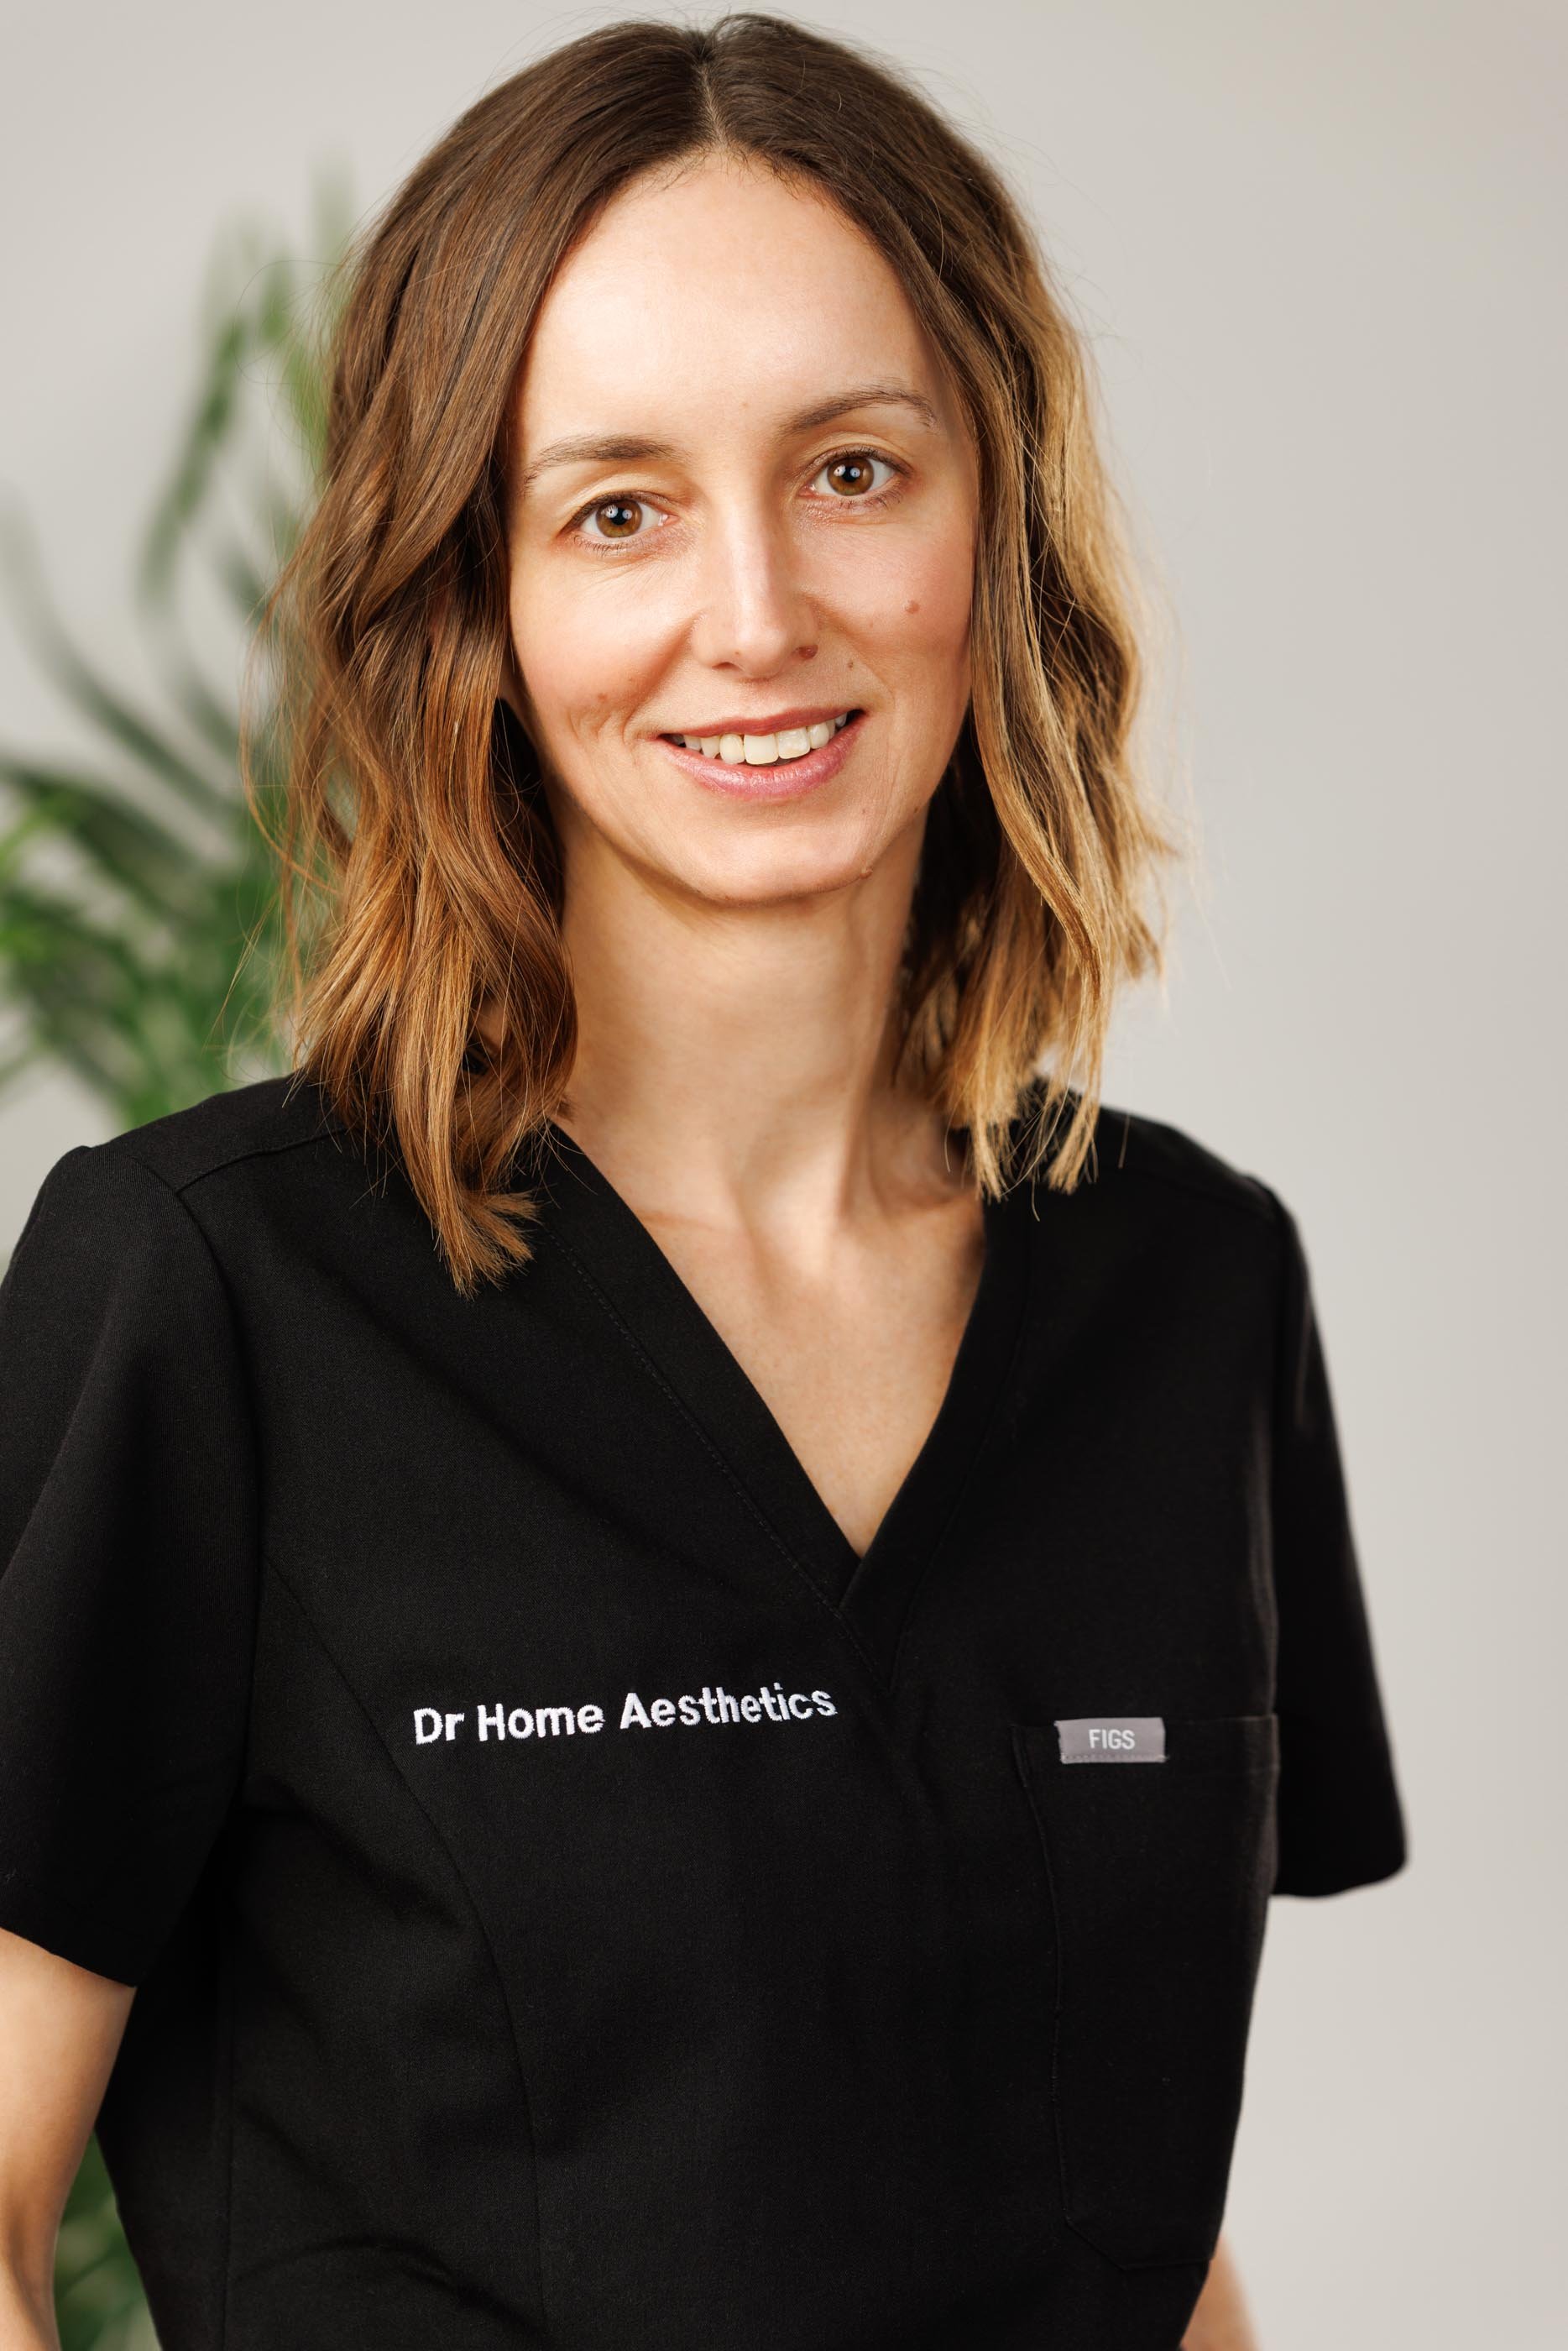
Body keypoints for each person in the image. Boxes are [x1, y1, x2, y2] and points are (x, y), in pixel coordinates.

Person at [0, 15, 1406, 2349]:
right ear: (475, 607)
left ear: (996, 517)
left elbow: (1133, 2235)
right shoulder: (212, 1300)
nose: (755, 612)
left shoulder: (1193, 1290)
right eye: (617, 507)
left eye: (853, 470)